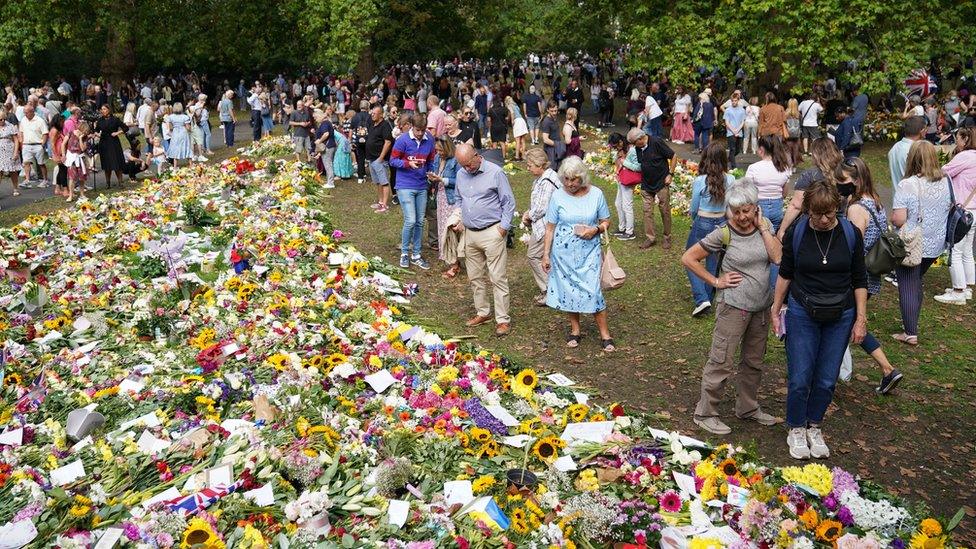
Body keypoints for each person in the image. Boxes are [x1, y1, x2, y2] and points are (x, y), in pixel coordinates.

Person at [772, 179, 868, 460]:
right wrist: (776, 308)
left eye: (830, 214)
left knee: (827, 379)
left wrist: (860, 318)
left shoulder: (850, 233)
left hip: (841, 314)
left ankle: (814, 424)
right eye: (818, 214)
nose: (825, 220)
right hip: (803, 311)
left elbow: (859, 278)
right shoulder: (797, 233)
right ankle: (796, 426)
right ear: (807, 211)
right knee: (801, 376)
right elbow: (786, 273)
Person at [683, 179, 783, 434]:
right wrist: (716, 281)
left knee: (753, 361)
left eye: (746, 210)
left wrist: (762, 227)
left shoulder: (765, 225)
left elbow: (777, 257)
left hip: (760, 307)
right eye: (735, 211)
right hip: (733, 307)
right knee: (721, 360)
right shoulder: (723, 233)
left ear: (755, 207)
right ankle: (705, 413)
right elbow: (689, 257)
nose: (741, 217)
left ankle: (747, 408)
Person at [836, 157, 904, 394]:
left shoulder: (856, 209)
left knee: (848, 323)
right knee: (849, 324)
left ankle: (887, 369)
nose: (838, 184)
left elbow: (853, 246)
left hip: (857, 278)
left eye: (842, 180)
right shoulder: (874, 201)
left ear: (856, 180)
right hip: (870, 276)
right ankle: (884, 370)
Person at [541, 155, 615, 352]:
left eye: (574, 179)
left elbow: (606, 221)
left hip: (589, 252)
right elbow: (550, 227)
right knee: (568, 290)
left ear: (582, 177)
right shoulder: (557, 196)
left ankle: (605, 334)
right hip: (563, 254)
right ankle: (575, 330)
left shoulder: (596, 194)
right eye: (566, 178)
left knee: (593, 291)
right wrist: (546, 254)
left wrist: (596, 230)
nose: (570, 183)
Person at [891, 140, 951, 345]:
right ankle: (911, 325)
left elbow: (899, 218)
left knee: (907, 284)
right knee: (916, 282)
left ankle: (910, 332)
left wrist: (892, 220)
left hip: (912, 243)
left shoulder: (907, 184)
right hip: (936, 243)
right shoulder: (946, 180)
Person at [454, 143, 516, 337]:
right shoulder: (461, 174)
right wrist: (459, 218)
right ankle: (483, 312)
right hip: (470, 233)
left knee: (497, 277)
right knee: (475, 277)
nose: (466, 169)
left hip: (492, 231)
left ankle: (503, 319)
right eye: (462, 165)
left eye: (468, 164)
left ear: (476, 156)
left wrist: (503, 228)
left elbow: (509, 202)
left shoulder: (495, 173)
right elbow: (458, 198)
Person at [685, 142, 737, 317]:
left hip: (703, 221)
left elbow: (694, 207)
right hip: (721, 222)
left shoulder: (700, 181)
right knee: (713, 261)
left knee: (689, 257)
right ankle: (708, 295)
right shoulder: (730, 179)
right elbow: (731, 204)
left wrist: (694, 220)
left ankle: (701, 298)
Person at [389, 113, 436, 269]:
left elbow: (431, 160)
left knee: (420, 221)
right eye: (417, 130)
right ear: (411, 126)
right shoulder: (402, 140)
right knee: (410, 220)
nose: (420, 133)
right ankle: (404, 253)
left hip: (422, 185)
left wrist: (431, 173)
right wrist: (408, 164)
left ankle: (416, 254)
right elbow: (393, 160)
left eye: (423, 130)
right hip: (404, 185)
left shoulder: (430, 139)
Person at [936, 126, 976, 304]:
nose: (955, 142)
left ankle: (958, 292)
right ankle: (967, 287)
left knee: (955, 251)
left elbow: (943, 171)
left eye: (957, 138)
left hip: (962, 210)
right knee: (967, 250)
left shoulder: (965, 157)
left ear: (966, 139)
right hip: (973, 211)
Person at [780, 138, 844, 239]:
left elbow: (796, 205)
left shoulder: (809, 175)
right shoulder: (846, 173)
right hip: (840, 224)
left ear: (816, 154)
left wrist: (782, 230)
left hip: (813, 225)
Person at [523, 148, 562, 304]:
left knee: (533, 255)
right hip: (546, 224)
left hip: (546, 227)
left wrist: (528, 215)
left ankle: (549, 290)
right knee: (547, 257)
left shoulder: (547, 181)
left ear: (539, 164)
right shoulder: (547, 176)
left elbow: (542, 207)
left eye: (530, 165)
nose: (528, 168)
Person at [629, 127, 676, 250]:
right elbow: (642, 163)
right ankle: (650, 238)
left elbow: (674, 156)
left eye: (635, 143)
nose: (634, 146)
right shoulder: (638, 148)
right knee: (647, 211)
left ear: (640, 138)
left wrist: (670, 174)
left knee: (664, 210)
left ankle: (667, 237)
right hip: (646, 184)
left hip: (661, 182)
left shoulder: (656, 142)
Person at [430, 136, 461, 277]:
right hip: (440, 196)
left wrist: (443, 179)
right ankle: (451, 259)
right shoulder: (437, 159)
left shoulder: (455, 160)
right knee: (442, 228)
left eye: (441, 150)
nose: (438, 153)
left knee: (451, 229)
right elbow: (437, 174)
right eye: (436, 150)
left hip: (452, 198)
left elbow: (460, 180)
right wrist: (432, 178)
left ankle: (455, 263)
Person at [608, 132, 638, 241]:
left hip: (628, 180)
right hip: (621, 179)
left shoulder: (632, 150)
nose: (615, 148)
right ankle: (622, 227)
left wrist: (624, 162)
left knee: (627, 205)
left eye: (615, 146)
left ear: (620, 142)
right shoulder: (620, 150)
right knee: (618, 204)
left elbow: (638, 167)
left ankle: (630, 232)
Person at [365, 106, 394, 212]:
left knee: (384, 182)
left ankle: (385, 205)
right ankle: (380, 201)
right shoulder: (373, 124)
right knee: (378, 182)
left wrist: (381, 157)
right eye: (372, 113)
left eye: (374, 113)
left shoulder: (385, 125)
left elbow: (388, 142)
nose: (372, 115)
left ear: (381, 114)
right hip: (372, 159)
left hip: (379, 159)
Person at [888, 116, 926, 192]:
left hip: (897, 197)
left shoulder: (895, 147)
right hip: (912, 197)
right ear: (922, 131)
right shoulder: (915, 150)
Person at [95, 104, 126, 188]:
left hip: (114, 143)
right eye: (102, 109)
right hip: (104, 143)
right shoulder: (100, 120)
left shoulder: (115, 119)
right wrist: (97, 134)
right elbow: (96, 130)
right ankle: (107, 183)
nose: (103, 111)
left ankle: (120, 182)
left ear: (109, 110)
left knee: (116, 163)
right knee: (106, 164)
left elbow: (125, 128)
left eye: (104, 109)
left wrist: (117, 133)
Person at [18, 104, 48, 187]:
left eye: (26, 112)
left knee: (41, 163)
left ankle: (45, 180)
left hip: (38, 145)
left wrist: (42, 144)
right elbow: (21, 131)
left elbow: (45, 133)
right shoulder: (23, 120)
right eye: (24, 112)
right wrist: (21, 140)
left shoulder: (39, 120)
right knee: (26, 163)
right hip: (26, 145)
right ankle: (27, 180)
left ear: (32, 112)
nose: (25, 114)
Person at [64, 120, 91, 201]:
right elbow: (64, 143)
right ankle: (71, 195)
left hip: (80, 157)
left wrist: (80, 139)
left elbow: (83, 148)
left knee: (81, 177)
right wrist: (63, 154)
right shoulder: (71, 133)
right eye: (86, 130)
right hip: (72, 158)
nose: (87, 132)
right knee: (71, 177)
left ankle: (82, 194)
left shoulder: (85, 138)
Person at [313, 107, 337, 189]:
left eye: (315, 118)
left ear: (319, 116)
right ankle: (330, 181)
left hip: (328, 146)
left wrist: (319, 141)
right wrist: (319, 153)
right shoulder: (327, 122)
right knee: (329, 164)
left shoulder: (324, 124)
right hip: (330, 146)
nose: (315, 120)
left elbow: (326, 134)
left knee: (328, 164)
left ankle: (330, 183)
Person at [0, 109, 23, 198]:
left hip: (10, 150)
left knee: (13, 171)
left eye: (3, 119)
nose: (2, 121)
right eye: (0, 119)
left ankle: (15, 189)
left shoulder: (10, 126)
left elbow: (16, 140)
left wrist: (16, 152)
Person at [166, 102, 193, 167]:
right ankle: (191, 164)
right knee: (186, 147)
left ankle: (175, 166)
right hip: (183, 133)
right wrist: (190, 130)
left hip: (175, 133)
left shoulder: (171, 117)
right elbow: (188, 127)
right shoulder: (185, 117)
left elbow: (170, 127)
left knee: (176, 148)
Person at [723, 94, 745, 169]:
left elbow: (742, 122)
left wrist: (737, 130)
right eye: (732, 101)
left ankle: (728, 159)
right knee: (732, 149)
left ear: (738, 101)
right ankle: (734, 167)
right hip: (730, 132)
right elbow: (727, 122)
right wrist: (733, 131)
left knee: (738, 150)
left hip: (739, 132)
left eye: (735, 101)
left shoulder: (742, 110)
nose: (734, 102)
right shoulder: (728, 110)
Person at [540, 101, 562, 168]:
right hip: (550, 150)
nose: (554, 113)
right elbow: (545, 139)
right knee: (552, 169)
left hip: (556, 148)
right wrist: (558, 145)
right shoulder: (546, 121)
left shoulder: (554, 118)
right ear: (547, 110)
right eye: (552, 111)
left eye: (555, 110)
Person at [506, 96, 528, 161]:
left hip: (517, 121)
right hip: (522, 120)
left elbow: (512, 113)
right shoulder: (516, 105)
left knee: (517, 141)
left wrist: (512, 122)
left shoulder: (509, 105)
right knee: (523, 140)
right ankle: (523, 156)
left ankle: (517, 156)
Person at [333, 116, 354, 180]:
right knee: (346, 158)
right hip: (345, 142)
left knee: (339, 159)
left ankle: (339, 174)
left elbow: (335, 142)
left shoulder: (332, 132)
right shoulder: (337, 132)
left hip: (342, 143)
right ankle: (347, 173)